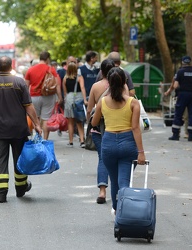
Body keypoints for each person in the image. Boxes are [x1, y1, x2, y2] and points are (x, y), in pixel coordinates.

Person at [0, 56, 42, 203]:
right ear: (11, 67)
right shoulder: (19, 82)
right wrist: (36, 124)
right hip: (19, 129)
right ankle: (21, 187)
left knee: (0, 160)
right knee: (20, 159)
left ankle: (1, 193)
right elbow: (28, 106)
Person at [91, 67, 146, 214]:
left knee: (114, 181)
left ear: (108, 82)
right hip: (128, 142)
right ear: (124, 82)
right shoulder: (133, 103)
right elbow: (135, 128)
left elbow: (94, 122)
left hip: (108, 143)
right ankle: (124, 210)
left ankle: (116, 209)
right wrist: (141, 152)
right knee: (124, 181)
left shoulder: (102, 102)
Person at [86, 59, 115, 204]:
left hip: (98, 127)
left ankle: (102, 191)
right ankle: (119, 191)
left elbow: (90, 108)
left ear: (101, 71)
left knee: (103, 158)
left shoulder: (95, 86)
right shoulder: (121, 86)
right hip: (116, 127)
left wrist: (88, 123)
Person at [25, 51, 63, 140]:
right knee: (46, 119)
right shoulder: (51, 69)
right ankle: (45, 140)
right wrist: (59, 97)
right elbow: (57, 84)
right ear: (48, 59)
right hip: (48, 96)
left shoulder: (31, 69)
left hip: (34, 96)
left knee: (36, 119)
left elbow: (26, 86)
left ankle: (38, 138)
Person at [169, 56, 192, 141]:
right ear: (190, 62)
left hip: (182, 95)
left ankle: (176, 135)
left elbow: (175, 85)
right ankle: (190, 135)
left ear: (183, 62)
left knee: (178, 114)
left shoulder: (180, 72)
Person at [62, 61, 87, 147]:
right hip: (78, 99)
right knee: (79, 121)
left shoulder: (65, 78)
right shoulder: (80, 78)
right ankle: (82, 141)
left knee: (70, 122)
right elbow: (83, 88)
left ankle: (71, 141)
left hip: (69, 99)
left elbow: (65, 92)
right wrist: (85, 99)